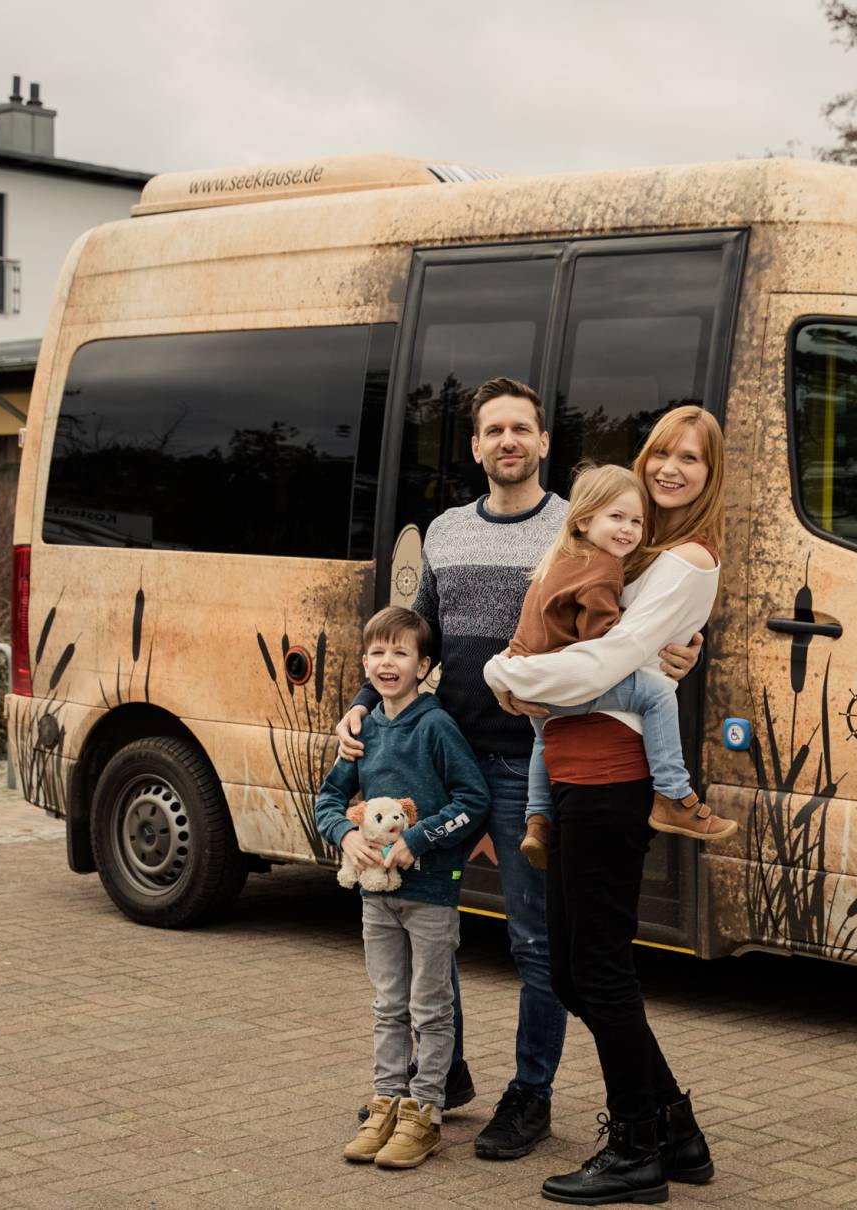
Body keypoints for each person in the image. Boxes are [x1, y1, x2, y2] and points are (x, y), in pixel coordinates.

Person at [331, 377, 702, 1162]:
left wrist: (682, 649)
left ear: (542, 443)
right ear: (475, 446)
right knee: (433, 921)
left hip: (530, 760)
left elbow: (633, 627)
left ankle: (530, 1094)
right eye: (493, 430)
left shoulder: (578, 529)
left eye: (522, 430)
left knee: (536, 945)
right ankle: (443, 1074)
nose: (508, 441)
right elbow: (413, 633)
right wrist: (365, 699)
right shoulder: (446, 531)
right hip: (447, 760)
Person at [484, 406, 725, 1205]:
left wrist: (507, 679)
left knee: (597, 970)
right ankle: (673, 1128)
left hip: (609, 781)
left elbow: (608, 663)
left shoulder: (686, 559)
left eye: (690, 459)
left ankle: (635, 1151)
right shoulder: (637, 552)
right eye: (661, 452)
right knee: (578, 972)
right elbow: (619, 654)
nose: (670, 469)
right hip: (581, 772)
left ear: (709, 473)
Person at [497, 461, 738, 870]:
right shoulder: (604, 567)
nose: (627, 529)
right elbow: (601, 642)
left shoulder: (560, 558)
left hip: (531, 681)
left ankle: (536, 820)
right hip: (561, 682)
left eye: (637, 522)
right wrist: (645, 627)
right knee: (659, 694)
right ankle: (674, 795)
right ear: (585, 519)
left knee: (541, 739)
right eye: (617, 518)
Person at [317, 607, 489, 1170]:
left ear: (424, 666)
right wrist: (345, 836)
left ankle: (426, 1114)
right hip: (376, 897)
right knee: (388, 1005)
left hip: (432, 894)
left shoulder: (435, 727)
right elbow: (326, 801)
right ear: (366, 664)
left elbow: (473, 800)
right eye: (377, 654)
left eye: (400, 654)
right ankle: (386, 1102)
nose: (388, 663)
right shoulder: (363, 731)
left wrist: (418, 838)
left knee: (430, 1010)